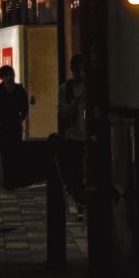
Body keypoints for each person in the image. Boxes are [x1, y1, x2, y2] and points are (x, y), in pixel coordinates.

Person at [0, 65, 29, 189]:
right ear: (3, 77)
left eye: (12, 74)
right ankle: (8, 183)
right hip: (3, 128)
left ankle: (16, 181)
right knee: (6, 156)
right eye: (8, 75)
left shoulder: (19, 90)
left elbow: (25, 107)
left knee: (16, 154)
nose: (11, 77)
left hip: (15, 126)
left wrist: (20, 119)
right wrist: (0, 120)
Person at [56, 54, 87, 213]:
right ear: (72, 69)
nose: (80, 73)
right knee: (75, 173)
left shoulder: (91, 87)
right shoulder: (65, 89)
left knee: (87, 173)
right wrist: (76, 102)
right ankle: (79, 205)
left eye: (82, 69)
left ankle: (84, 205)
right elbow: (63, 113)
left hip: (88, 136)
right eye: (77, 69)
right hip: (72, 136)